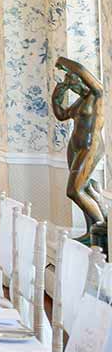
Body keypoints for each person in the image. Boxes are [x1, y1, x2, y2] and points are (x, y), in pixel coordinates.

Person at [53, 57, 109, 254]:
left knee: (74, 190)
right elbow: (61, 115)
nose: (73, 88)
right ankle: (90, 232)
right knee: (83, 188)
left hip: (90, 147)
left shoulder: (97, 95)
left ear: (81, 80)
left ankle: (102, 229)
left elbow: (83, 70)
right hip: (75, 147)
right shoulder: (80, 101)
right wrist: (56, 96)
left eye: (73, 83)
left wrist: (64, 62)